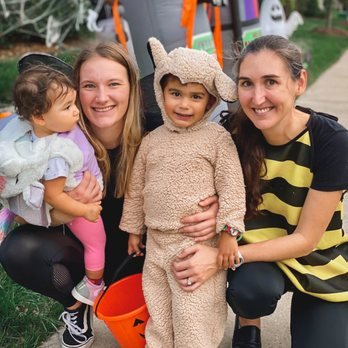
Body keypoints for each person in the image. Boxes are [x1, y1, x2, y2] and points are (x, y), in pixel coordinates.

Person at [0, 41, 218, 348]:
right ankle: (78, 308)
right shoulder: (57, 140)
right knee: (19, 250)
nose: (102, 97)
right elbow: (21, 209)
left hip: (149, 255)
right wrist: (70, 209)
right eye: (89, 86)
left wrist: (215, 209)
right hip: (91, 259)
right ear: (75, 91)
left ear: (133, 87)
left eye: (114, 84)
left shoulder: (162, 131)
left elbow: (217, 168)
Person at [172, 34, 348, 348]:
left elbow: (306, 239)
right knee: (250, 292)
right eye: (246, 84)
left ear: (299, 82)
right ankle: (248, 324)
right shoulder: (231, 135)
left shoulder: (331, 142)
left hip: (317, 256)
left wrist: (218, 258)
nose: (257, 98)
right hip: (258, 263)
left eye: (270, 82)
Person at [120, 37, 245, 347]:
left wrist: (229, 230)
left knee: (193, 315)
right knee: (160, 313)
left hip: (196, 243)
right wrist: (134, 229)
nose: (184, 104)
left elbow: (231, 184)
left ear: (210, 102)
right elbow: (137, 189)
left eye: (195, 96)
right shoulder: (152, 140)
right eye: (175, 93)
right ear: (161, 93)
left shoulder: (217, 139)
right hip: (157, 243)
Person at [0, 64, 106, 307]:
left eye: (74, 103)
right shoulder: (59, 154)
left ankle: (11, 209)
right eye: (68, 107)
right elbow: (54, 195)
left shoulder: (43, 128)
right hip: (76, 201)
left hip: (37, 192)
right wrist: (85, 211)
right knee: (96, 242)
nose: (76, 111)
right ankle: (94, 287)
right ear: (39, 116)